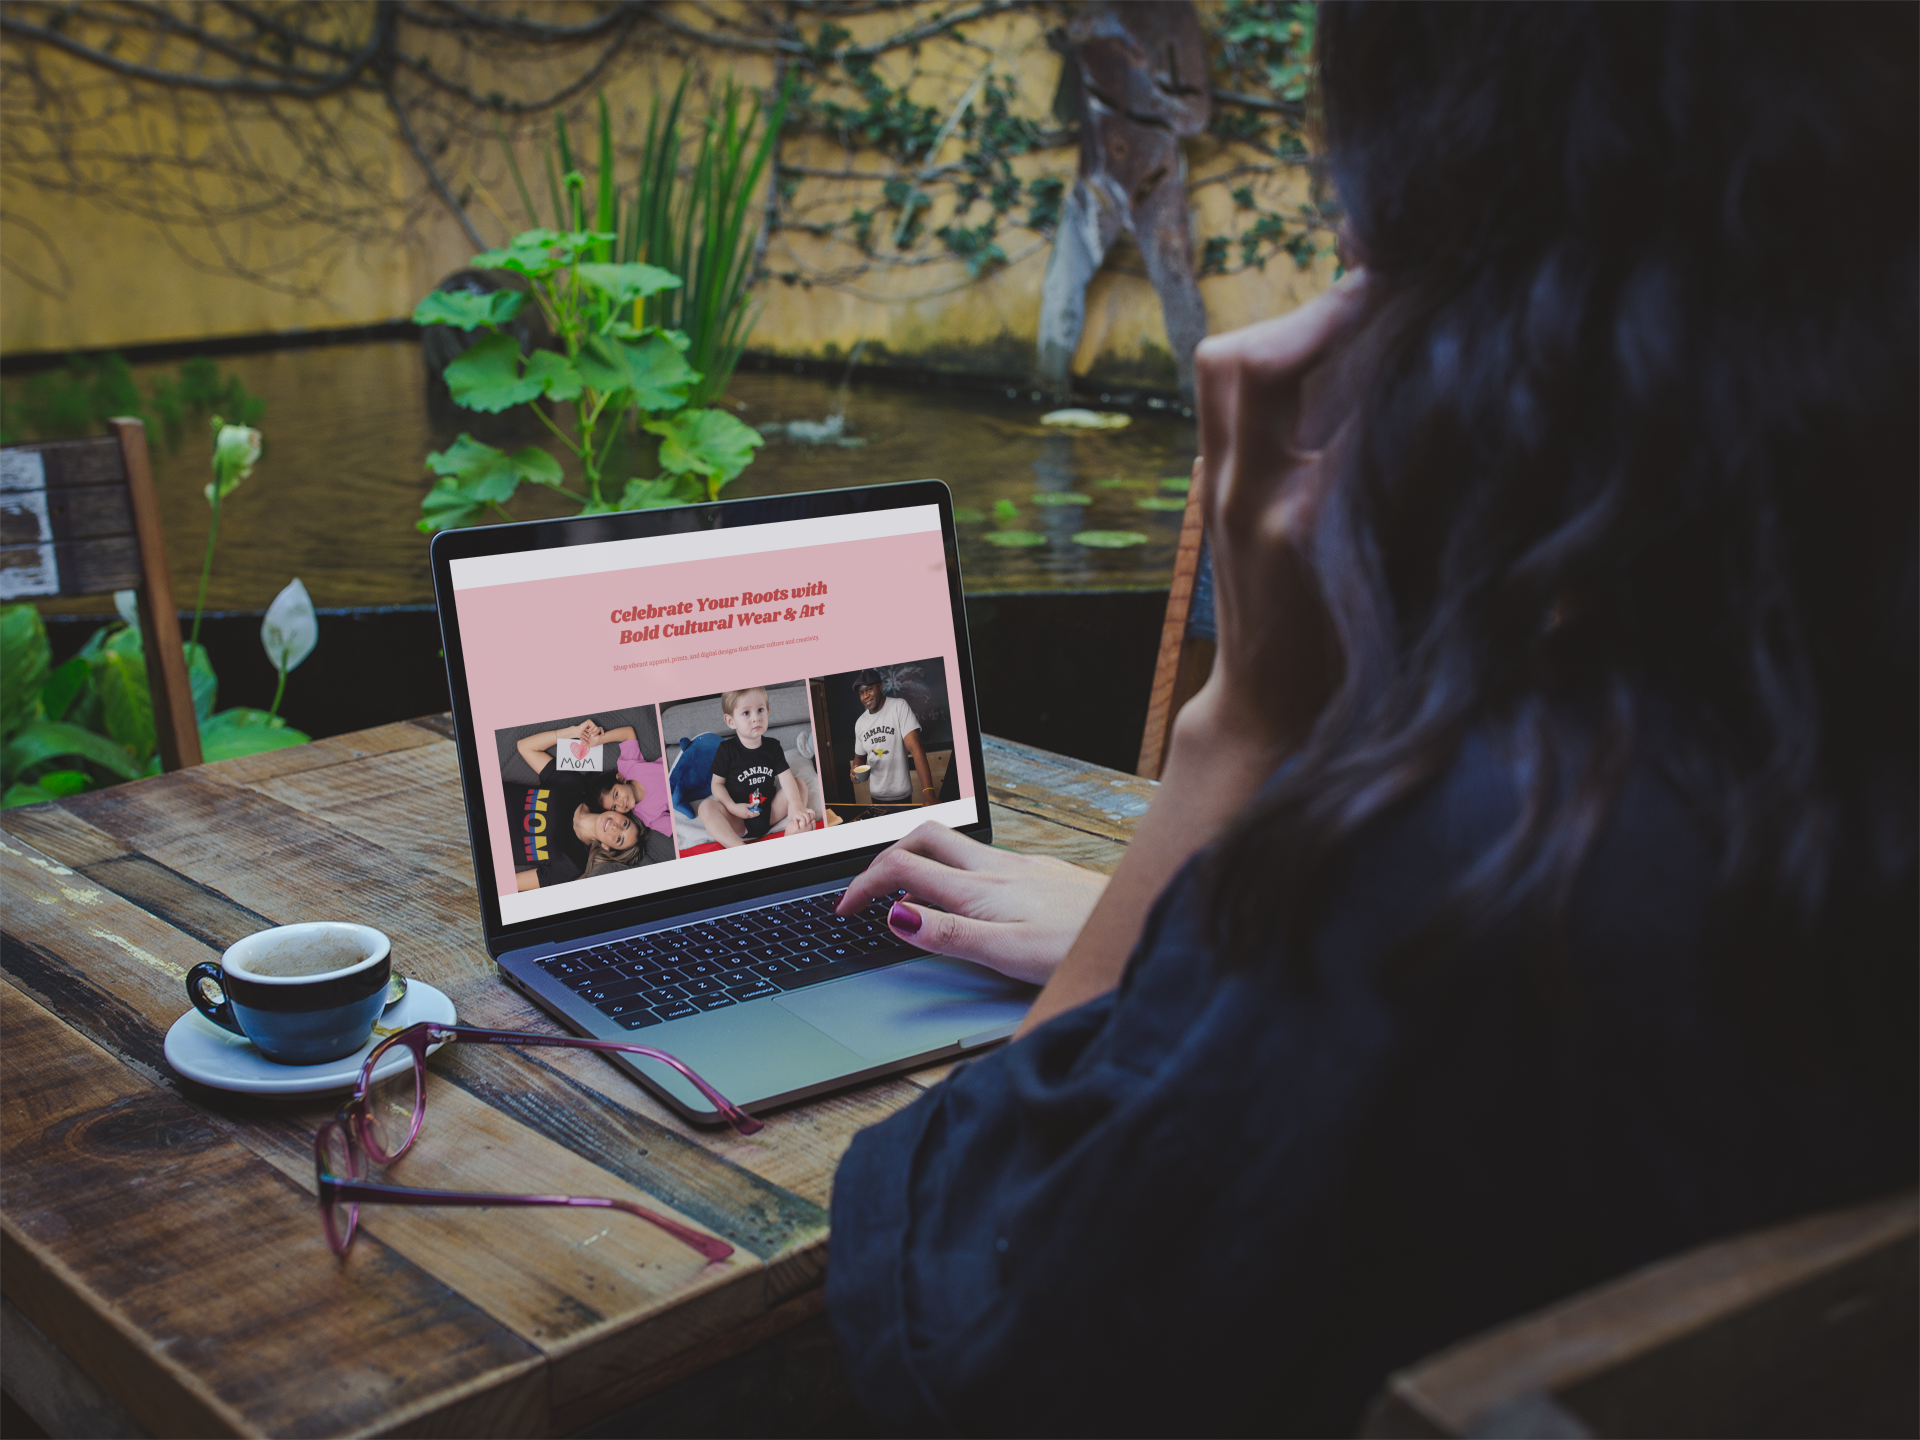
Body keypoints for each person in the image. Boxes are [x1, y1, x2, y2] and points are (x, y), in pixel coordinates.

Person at [824, 6, 1917, 1434]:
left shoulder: (1455, 891)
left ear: (1456, 275)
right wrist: (1196, 945)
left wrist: (1245, 732)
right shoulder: (1789, 746)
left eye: (1361, 204)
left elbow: (987, 1313)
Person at [701, 687, 816, 846]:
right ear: (730, 721)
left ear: (767, 712)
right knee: (705, 807)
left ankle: (792, 826)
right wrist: (733, 808)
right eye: (746, 713)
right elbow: (716, 784)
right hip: (739, 820)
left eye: (760, 710)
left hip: (770, 813)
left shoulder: (773, 747)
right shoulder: (726, 750)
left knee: (798, 783)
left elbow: (786, 779)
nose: (756, 718)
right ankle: (737, 847)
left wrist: (796, 806)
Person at [505, 781, 641, 891]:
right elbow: (525, 747)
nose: (615, 828)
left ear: (606, 847)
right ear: (620, 814)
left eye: (619, 839)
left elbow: (514, 883)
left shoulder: (574, 864)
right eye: (624, 824)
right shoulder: (577, 787)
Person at [850, 670, 935, 806]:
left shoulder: (899, 707)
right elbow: (859, 757)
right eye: (861, 692)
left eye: (869, 689)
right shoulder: (860, 723)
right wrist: (856, 772)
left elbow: (915, 747)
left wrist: (929, 794)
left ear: (880, 687)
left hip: (902, 795)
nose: (865, 696)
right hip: (876, 796)